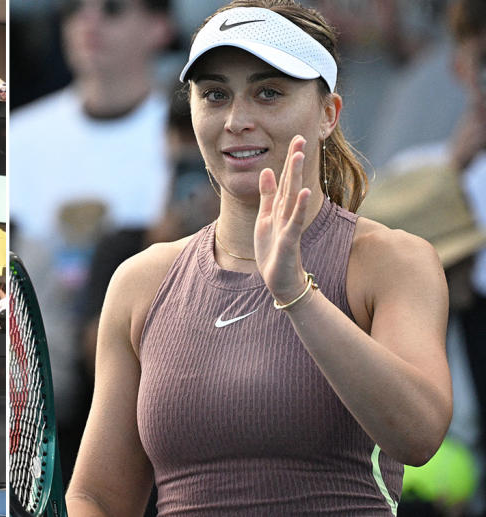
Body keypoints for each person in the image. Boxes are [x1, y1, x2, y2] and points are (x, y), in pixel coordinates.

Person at [65, 2, 452, 515]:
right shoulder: (141, 281)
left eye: (268, 93)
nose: (236, 120)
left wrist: (296, 294)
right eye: (215, 94)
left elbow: (419, 434)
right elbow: (97, 495)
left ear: (328, 114)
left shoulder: (392, 261)